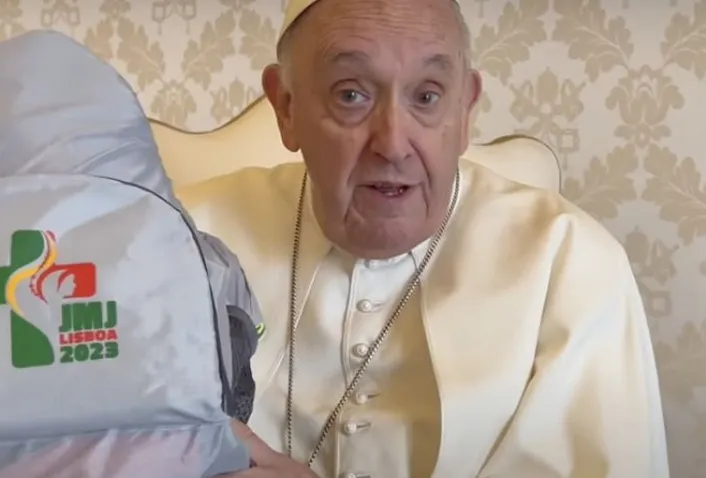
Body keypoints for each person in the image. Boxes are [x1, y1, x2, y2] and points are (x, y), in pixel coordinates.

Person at [178, 0, 671, 476]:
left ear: (466, 109)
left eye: (427, 96)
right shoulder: (183, 240)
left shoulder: (569, 261)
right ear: (286, 107)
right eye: (351, 95)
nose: (393, 145)